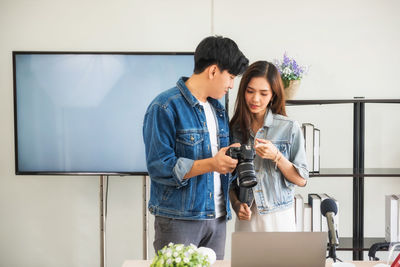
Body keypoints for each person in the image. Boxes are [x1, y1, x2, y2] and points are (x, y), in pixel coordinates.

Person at [142, 36, 249, 259]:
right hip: (179, 219)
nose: (231, 85)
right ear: (212, 71)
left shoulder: (217, 109)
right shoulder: (164, 107)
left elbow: (219, 165)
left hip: (218, 218)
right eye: (230, 77)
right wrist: (212, 164)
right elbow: (160, 166)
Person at [228, 60, 308, 232]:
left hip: (279, 217)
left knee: (283, 260)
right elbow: (228, 180)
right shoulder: (233, 129)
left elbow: (301, 179)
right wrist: (236, 204)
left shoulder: (289, 127)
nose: (255, 99)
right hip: (247, 218)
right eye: (250, 91)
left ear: (273, 95)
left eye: (264, 93)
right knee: (246, 260)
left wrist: (277, 156)